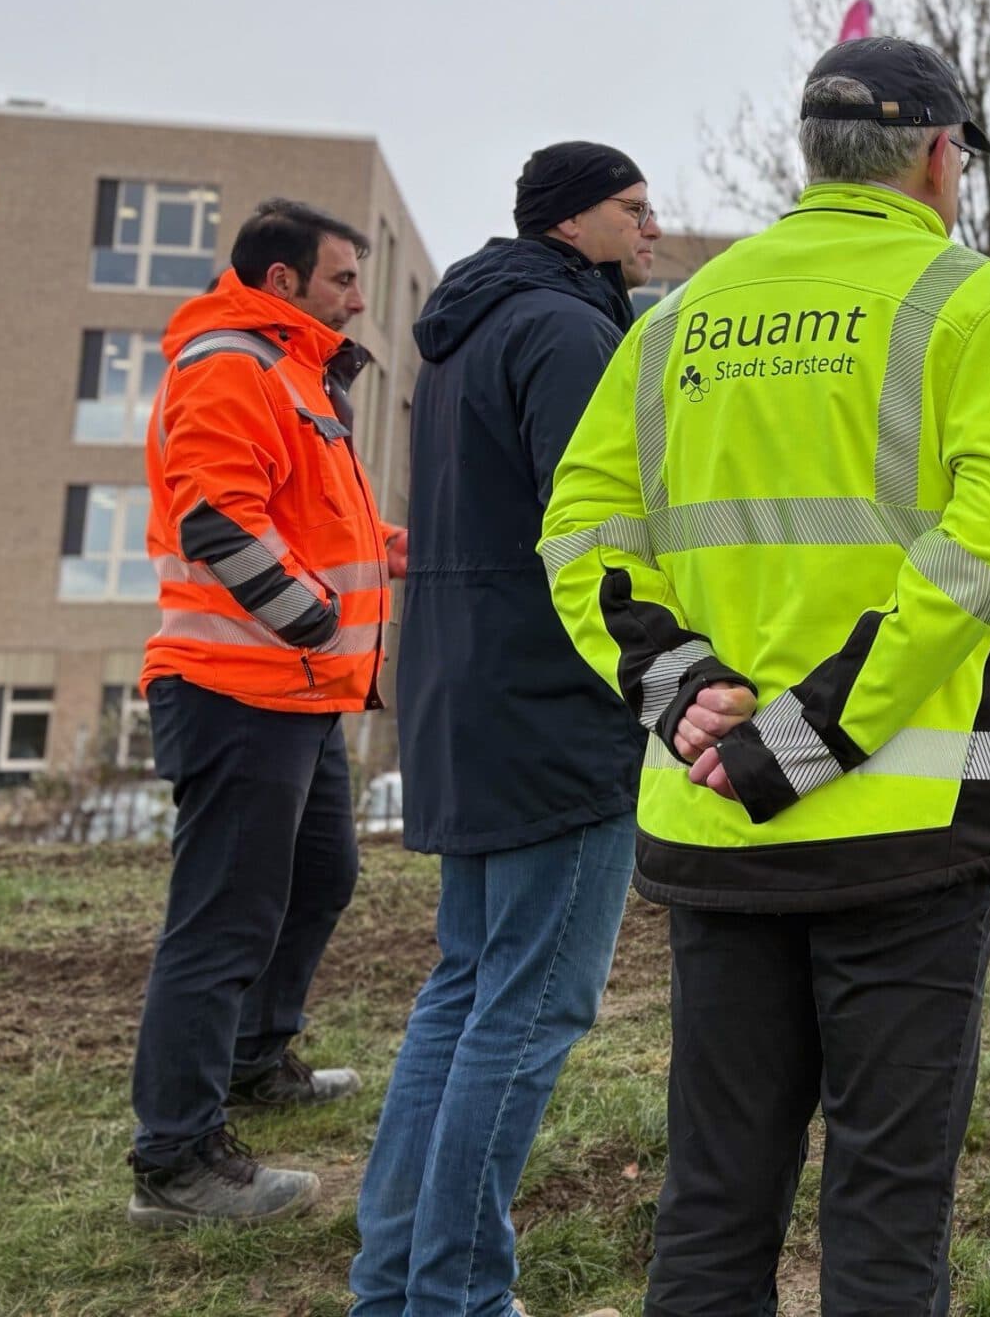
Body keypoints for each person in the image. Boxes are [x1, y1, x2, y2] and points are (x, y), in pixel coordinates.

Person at [541, 37, 990, 1316]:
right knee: (885, 1210)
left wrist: (675, 690)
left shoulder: (676, 319)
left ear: (811, 156)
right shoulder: (975, 303)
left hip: (713, 819)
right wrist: (817, 735)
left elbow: (580, 531)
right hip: (902, 830)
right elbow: (985, 542)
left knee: (714, 1199)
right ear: (940, 158)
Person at [347, 144, 659, 1317]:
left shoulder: (464, 332)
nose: (652, 230)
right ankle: (461, 1296)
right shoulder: (569, 334)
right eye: (633, 210)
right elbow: (592, 535)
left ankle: (395, 1286)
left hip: (462, 696)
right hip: (549, 705)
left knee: (464, 990)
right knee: (527, 1009)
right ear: (573, 221)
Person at [126, 199, 406, 1228]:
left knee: (323, 874)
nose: (358, 298)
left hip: (294, 692)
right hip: (236, 686)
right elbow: (216, 517)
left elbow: (299, 507)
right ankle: (175, 1165)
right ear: (283, 280)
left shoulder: (286, 369)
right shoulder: (231, 364)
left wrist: (381, 547)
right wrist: (315, 616)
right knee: (220, 924)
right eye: (341, 279)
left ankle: (252, 1060)